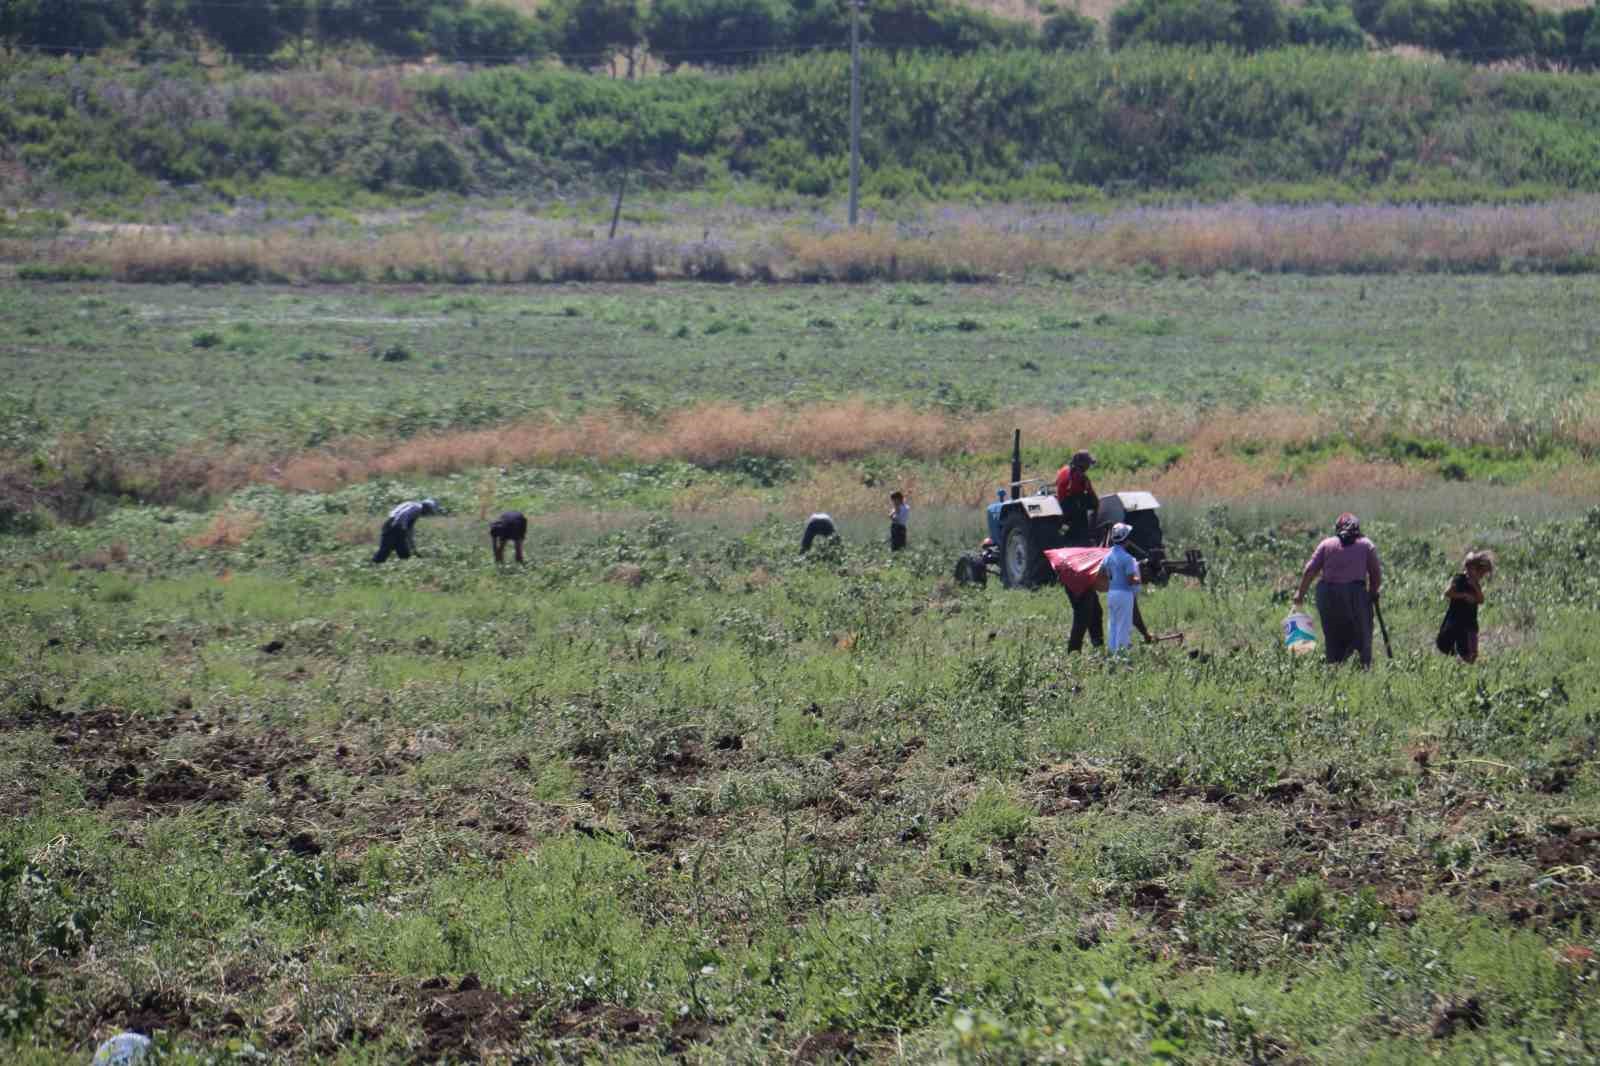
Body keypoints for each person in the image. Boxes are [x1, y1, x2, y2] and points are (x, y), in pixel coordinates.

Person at [1293, 512, 1382, 667]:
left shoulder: (1326, 544)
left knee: (1333, 634)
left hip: (1327, 595)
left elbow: (1310, 570)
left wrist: (1300, 594)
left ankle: (1334, 665)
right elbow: (1375, 573)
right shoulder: (1366, 544)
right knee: (1361, 634)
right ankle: (1361, 668)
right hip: (1356, 595)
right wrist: (1372, 593)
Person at [1436, 550, 1494, 662]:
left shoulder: (1475, 584)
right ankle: (1460, 664)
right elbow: (1448, 593)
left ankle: (1466, 665)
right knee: (1461, 649)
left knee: (1473, 652)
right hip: (1457, 621)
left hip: (1471, 621)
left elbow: (1481, 600)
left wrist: (1476, 588)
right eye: (1479, 573)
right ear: (1471, 569)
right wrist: (1464, 595)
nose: (1480, 577)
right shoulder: (1459, 580)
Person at [1103, 522, 1142, 652]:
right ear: (1126, 539)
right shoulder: (1127, 558)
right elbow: (1131, 580)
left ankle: (1112, 652)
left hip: (1111, 593)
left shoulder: (1108, 556)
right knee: (1123, 627)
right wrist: (1140, 579)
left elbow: (1106, 574)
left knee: (1112, 625)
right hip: (1124, 594)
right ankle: (1122, 656)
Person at [371, 498, 442, 563]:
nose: (428, 514)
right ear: (427, 507)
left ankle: (406, 565)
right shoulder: (417, 508)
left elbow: (409, 531)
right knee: (385, 549)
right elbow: (402, 515)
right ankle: (373, 564)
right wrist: (400, 528)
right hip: (393, 526)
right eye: (429, 511)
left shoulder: (414, 506)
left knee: (403, 552)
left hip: (395, 526)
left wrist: (414, 549)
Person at [1055, 450, 1098, 542]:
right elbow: (1091, 494)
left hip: (1061, 502)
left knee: (1067, 522)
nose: (1088, 467)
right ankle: (1089, 533)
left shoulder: (1064, 469)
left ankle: (1060, 536)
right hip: (1070, 505)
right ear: (1082, 465)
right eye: (1087, 464)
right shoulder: (1080, 477)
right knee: (1093, 504)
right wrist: (1095, 503)